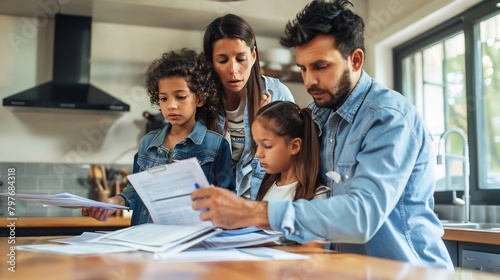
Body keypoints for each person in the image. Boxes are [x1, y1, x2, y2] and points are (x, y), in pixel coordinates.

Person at [192, 0, 453, 269]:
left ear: (355, 60)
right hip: (348, 270)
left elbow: (361, 217)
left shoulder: (389, 118)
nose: (309, 82)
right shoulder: (317, 115)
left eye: (321, 67)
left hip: (410, 273)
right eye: (303, 68)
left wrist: (253, 212)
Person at [83, 49, 234, 224]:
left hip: (190, 241)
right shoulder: (147, 143)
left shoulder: (215, 145)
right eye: (163, 98)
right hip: (145, 238)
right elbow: (137, 190)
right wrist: (114, 202)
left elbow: (228, 199)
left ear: (200, 98)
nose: (171, 105)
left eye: (181, 97)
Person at [203, 14, 294, 200]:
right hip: (214, 210)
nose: (233, 70)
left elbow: (296, 160)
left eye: (241, 58)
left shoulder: (278, 94)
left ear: (253, 56)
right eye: (222, 60)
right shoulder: (200, 100)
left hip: (264, 210)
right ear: (210, 62)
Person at [252, 101, 329, 202]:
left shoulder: (316, 197)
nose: (258, 154)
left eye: (267, 146)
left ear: (294, 146)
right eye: (257, 145)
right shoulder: (267, 185)